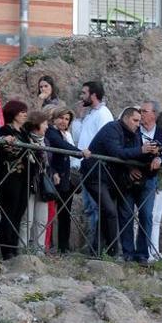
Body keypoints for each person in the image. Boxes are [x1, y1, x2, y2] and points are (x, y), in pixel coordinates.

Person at [82, 106, 161, 263]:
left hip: (110, 178)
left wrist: (153, 154)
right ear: (125, 118)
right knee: (110, 211)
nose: (138, 124)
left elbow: (133, 155)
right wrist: (142, 150)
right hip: (95, 175)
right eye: (135, 120)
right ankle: (112, 253)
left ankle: (96, 251)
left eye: (139, 121)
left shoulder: (134, 133)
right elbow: (117, 152)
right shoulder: (112, 128)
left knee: (106, 214)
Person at [70, 81, 114, 254]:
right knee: (89, 208)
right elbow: (79, 137)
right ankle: (92, 247)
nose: (81, 96)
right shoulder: (90, 114)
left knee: (96, 208)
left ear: (93, 95)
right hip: (85, 167)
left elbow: (105, 141)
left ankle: (97, 249)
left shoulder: (103, 114)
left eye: (84, 93)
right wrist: (80, 117)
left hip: (96, 168)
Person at [45, 107, 90, 253]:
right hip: (54, 177)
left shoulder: (66, 134)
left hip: (66, 178)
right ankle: (48, 245)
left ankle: (63, 247)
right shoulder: (51, 132)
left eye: (67, 119)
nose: (64, 121)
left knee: (65, 214)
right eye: (61, 118)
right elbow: (60, 145)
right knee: (50, 212)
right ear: (54, 118)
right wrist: (80, 152)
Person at [0, 100, 32, 259]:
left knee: (19, 212)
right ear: (14, 113)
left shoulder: (24, 132)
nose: (25, 114)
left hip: (24, 177)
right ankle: (7, 250)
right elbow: (7, 152)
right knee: (9, 213)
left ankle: (14, 247)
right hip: (9, 177)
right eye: (22, 112)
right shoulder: (4, 130)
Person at [138, 100, 162, 263]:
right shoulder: (136, 132)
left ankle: (154, 250)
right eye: (141, 110)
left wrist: (160, 159)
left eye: (144, 111)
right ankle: (141, 251)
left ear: (154, 114)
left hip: (160, 179)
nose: (141, 114)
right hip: (139, 179)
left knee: (156, 216)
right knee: (140, 215)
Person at [23, 110, 52, 254]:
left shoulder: (45, 141)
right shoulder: (26, 139)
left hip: (42, 184)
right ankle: (22, 252)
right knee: (27, 220)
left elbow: (48, 162)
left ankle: (38, 253)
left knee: (41, 220)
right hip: (29, 182)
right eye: (45, 123)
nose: (47, 126)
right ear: (37, 125)